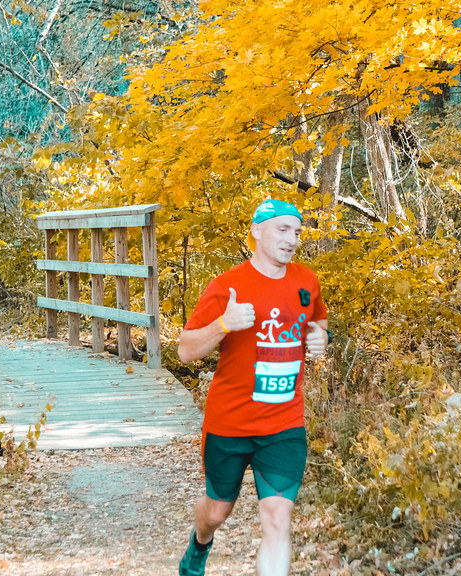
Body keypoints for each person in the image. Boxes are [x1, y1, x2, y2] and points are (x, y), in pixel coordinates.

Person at [177, 199, 329, 576]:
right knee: (217, 511)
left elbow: (318, 323)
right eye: (283, 229)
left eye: (297, 231)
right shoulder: (228, 286)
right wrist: (223, 325)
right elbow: (184, 350)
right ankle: (199, 544)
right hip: (229, 423)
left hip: (284, 425)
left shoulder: (306, 282)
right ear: (257, 230)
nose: (292, 239)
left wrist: (320, 339)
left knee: (278, 518)